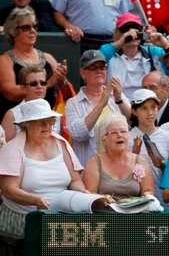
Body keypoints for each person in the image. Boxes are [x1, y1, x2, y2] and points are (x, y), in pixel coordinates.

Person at [0, 99, 109, 238]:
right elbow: (9, 189)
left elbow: (75, 180)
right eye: (41, 122)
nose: (47, 126)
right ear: (26, 124)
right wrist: (35, 200)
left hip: (60, 213)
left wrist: (83, 193)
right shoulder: (13, 149)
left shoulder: (61, 143)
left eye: (50, 121)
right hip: (25, 219)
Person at [65, 50, 131, 166]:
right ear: (83, 73)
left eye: (102, 67)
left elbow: (132, 121)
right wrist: (101, 104)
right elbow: (78, 134)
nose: (99, 71)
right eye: (93, 68)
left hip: (118, 168)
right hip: (89, 169)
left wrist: (119, 99)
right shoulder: (73, 103)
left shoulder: (116, 94)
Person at [0, 7, 67, 119]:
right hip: (18, 121)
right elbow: (10, 92)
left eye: (35, 26)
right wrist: (49, 83)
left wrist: (61, 79)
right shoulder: (5, 60)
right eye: (26, 27)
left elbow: (64, 88)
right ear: (13, 31)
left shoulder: (48, 58)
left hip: (49, 120)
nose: (33, 31)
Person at [83, 114, 157, 202]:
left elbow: (148, 191)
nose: (119, 135)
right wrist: (102, 199)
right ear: (104, 139)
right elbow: (90, 194)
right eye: (114, 132)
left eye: (123, 131)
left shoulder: (140, 161)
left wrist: (143, 198)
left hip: (134, 212)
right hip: (105, 212)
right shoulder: (95, 162)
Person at [99, 12, 169, 100]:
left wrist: (165, 45)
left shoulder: (153, 51)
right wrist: (121, 41)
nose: (133, 33)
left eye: (137, 29)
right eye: (126, 29)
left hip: (148, 106)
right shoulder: (109, 52)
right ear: (118, 33)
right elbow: (98, 57)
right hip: (117, 105)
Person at [128, 89, 169, 203]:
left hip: (164, 202)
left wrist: (162, 165)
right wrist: (134, 156)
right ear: (134, 111)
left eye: (153, 107)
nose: (150, 112)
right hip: (135, 202)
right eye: (144, 108)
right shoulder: (127, 138)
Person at [1, 66, 60, 141]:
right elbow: (5, 148)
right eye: (33, 83)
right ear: (23, 87)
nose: (39, 86)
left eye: (43, 83)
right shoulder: (12, 115)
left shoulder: (55, 113)